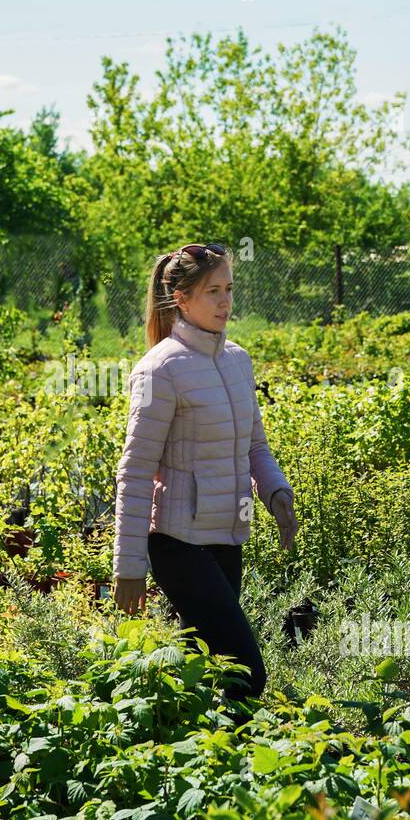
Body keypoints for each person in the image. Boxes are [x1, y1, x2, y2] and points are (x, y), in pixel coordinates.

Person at [111, 242, 298, 718]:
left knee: (204, 671)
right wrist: (128, 565)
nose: (225, 302)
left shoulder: (237, 360)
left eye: (229, 289)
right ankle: (240, 769)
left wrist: (275, 490)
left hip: (225, 535)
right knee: (246, 672)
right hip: (176, 543)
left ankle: (189, 758)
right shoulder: (160, 369)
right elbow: (134, 471)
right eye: (212, 291)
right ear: (182, 299)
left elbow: (255, 444)